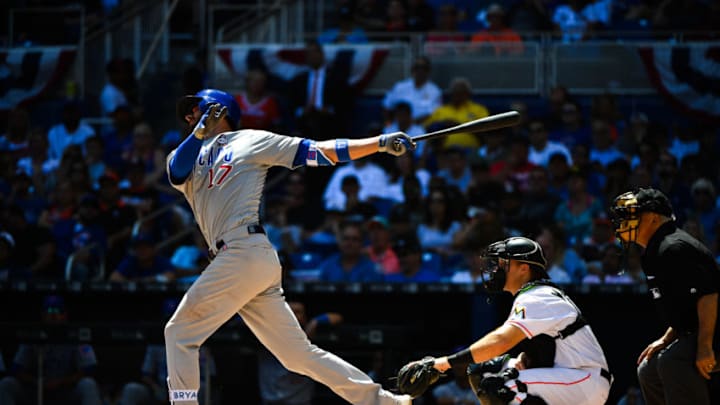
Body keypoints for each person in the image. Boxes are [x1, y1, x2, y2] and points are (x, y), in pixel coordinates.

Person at [166, 88, 415, 404]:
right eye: (188, 114)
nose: (189, 116)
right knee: (297, 355)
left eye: (195, 109)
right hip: (238, 259)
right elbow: (177, 173)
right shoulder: (182, 154)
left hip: (245, 249)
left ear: (221, 109)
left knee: (179, 332)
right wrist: (201, 130)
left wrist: (378, 144)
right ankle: (384, 402)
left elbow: (320, 151)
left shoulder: (251, 139)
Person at [403, 236, 611, 404]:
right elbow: (550, 346)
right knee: (483, 371)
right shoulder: (533, 294)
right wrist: (529, 360)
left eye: (504, 263)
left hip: (584, 380)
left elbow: (501, 342)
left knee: (502, 387)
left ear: (524, 268)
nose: (497, 269)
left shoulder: (538, 295)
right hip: (566, 375)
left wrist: (443, 363)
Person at [610, 187, 720, 405]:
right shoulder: (655, 250)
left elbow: (709, 294)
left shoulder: (673, 247)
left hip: (714, 330)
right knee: (648, 368)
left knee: (672, 360)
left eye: (631, 215)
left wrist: (706, 346)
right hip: (695, 331)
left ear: (652, 217)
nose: (623, 222)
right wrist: (667, 338)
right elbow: (684, 308)